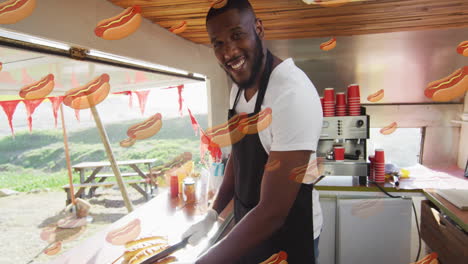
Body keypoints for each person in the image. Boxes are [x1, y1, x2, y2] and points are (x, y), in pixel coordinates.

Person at [181, 1, 323, 263]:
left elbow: (274, 211)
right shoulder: (238, 90)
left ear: (258, 28)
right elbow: (240, 155)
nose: (229, 52)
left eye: (237, 35)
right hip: (251, 228)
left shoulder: (291, 94)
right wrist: (212, 215)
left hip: (288, 236)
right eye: (218, 43)